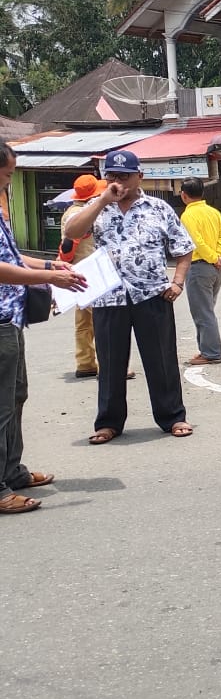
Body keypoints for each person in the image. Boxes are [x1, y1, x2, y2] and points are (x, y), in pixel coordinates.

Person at [62, 150, 197, 444]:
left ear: (140, 177)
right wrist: (101, 200)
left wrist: (178, 282)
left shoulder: (159, 209)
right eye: (111, 175)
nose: (117, 181)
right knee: (110, 363)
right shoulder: (95, 208)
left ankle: (173, 416)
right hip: (109, 299)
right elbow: (72, 232)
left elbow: (184, 246)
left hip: (152, 295)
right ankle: (108, 422)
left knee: (161, 359)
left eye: (124, 175)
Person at [0, 142, 88, 513]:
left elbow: (12, 257)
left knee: (16, 397)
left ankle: (13, 470)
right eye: (6, 174)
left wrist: (53, 268)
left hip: (11, 319)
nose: (9, 181)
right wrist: (50, 278)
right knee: (1, 406)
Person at [179, 177, 221, 365]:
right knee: (206, 310)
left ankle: (211, 352)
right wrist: (219, 255)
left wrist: (213, 257)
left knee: (203, 312)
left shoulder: (187, 216)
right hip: (216, 268)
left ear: (184, 195)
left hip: (200, 266)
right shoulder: (213, 212)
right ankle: (205, 349)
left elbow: (196, 240)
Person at [59, 174, 101, 378]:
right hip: (93, 272)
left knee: (84, 321)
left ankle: (85, 362)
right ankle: (108, 363)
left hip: (77, 271)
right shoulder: (86, 213)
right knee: (102, 319)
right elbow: (71, 243)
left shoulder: (69, 212)